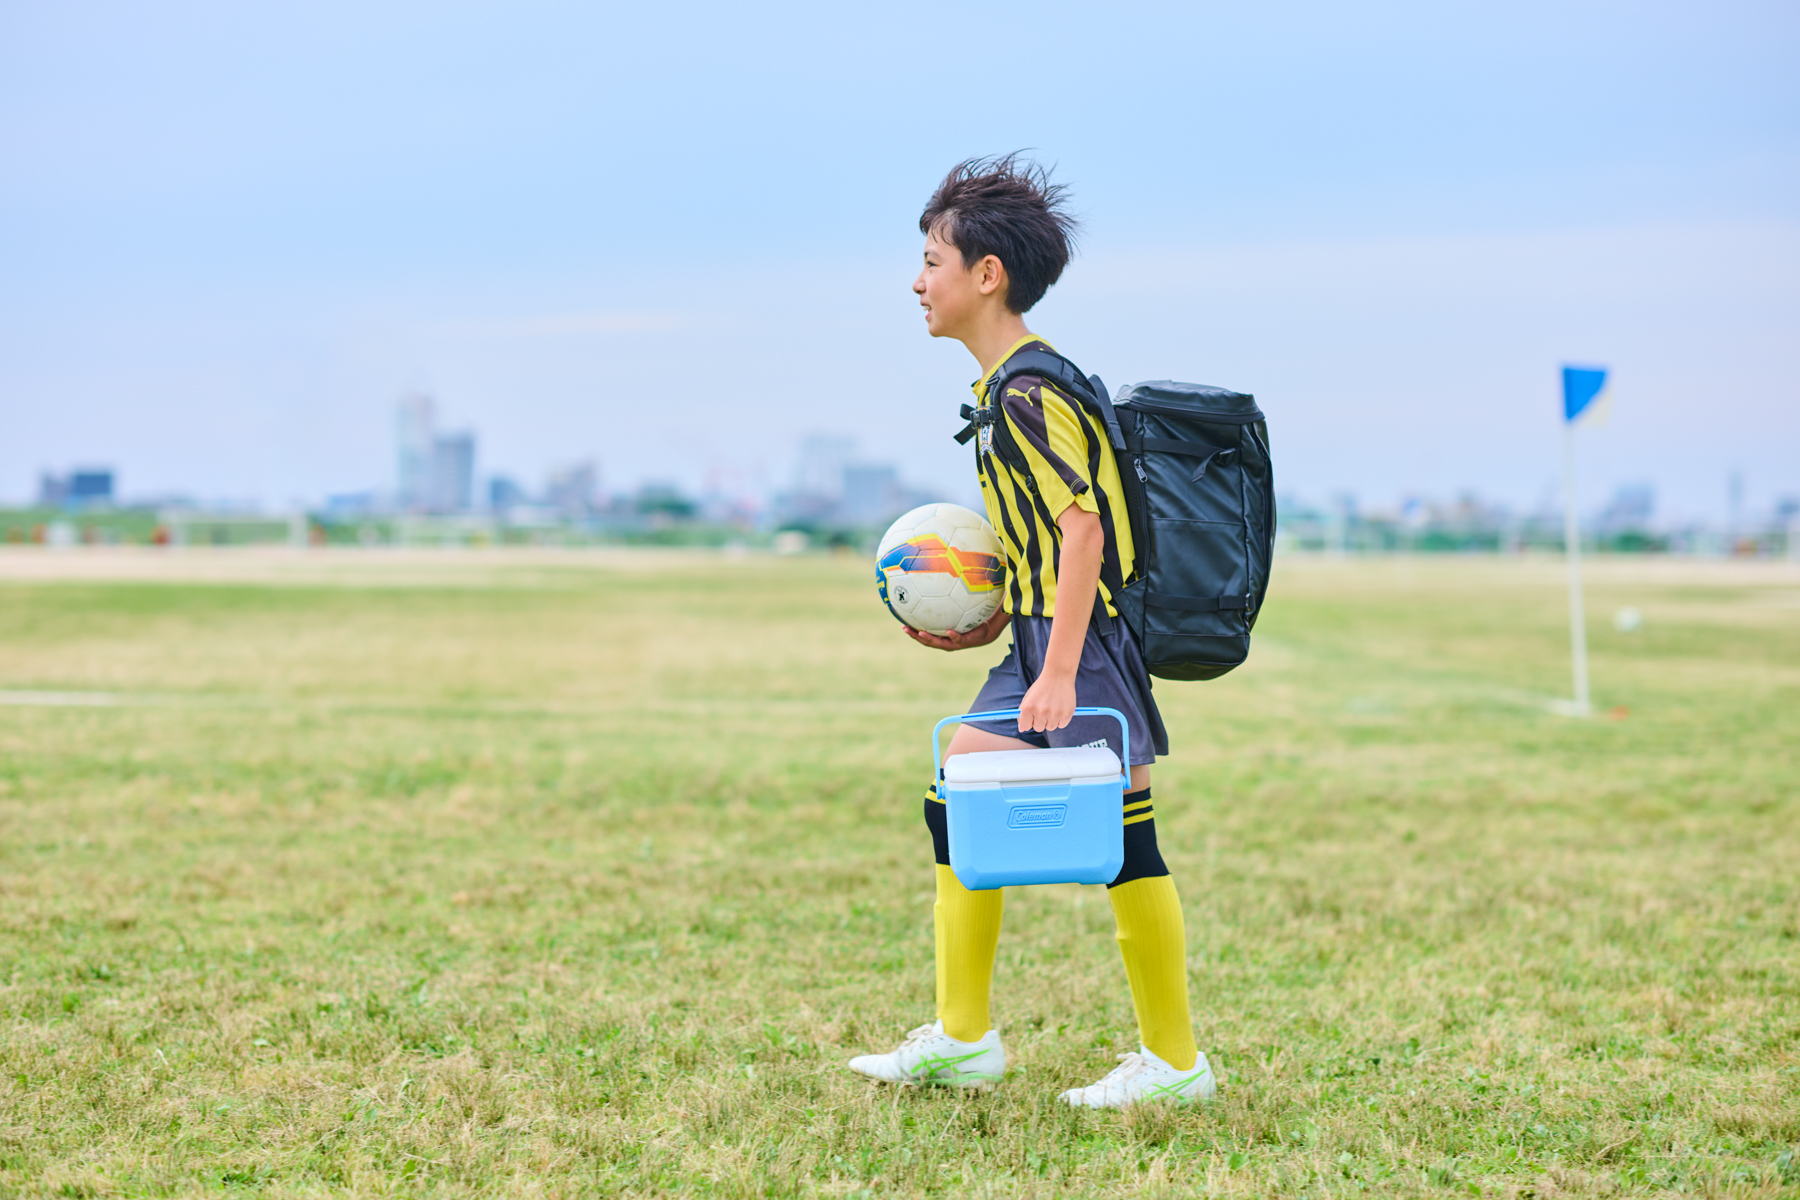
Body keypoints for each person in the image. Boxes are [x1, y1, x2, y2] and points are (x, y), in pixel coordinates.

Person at [846, 156, 1216, 1107]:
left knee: (1114, 841)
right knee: (969, 799)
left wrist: (1057, 671)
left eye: (931, 261)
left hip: (1080, 646)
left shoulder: (1026, 393)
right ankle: (972, 1037)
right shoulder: (1013, 384)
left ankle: (1166, 1063)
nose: (917, 282)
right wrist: (995, 618)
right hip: (1050, 636)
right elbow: (1051, 542)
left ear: (987, 275)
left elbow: (1081, 528)